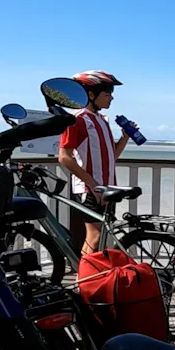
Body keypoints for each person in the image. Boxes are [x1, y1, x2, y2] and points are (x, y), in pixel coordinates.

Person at [57, 70, 132, 255]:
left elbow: (110, 157)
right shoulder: (78, 119)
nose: (111, 98)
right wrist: (92, 184)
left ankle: (93, 278)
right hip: (89, 188)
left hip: (106, 187)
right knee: (95, 236)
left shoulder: (102, 120)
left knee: (102, 238)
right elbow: (64, 157)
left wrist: (124, 139)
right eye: (107, 94)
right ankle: (83, 281)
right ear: (91, 94)